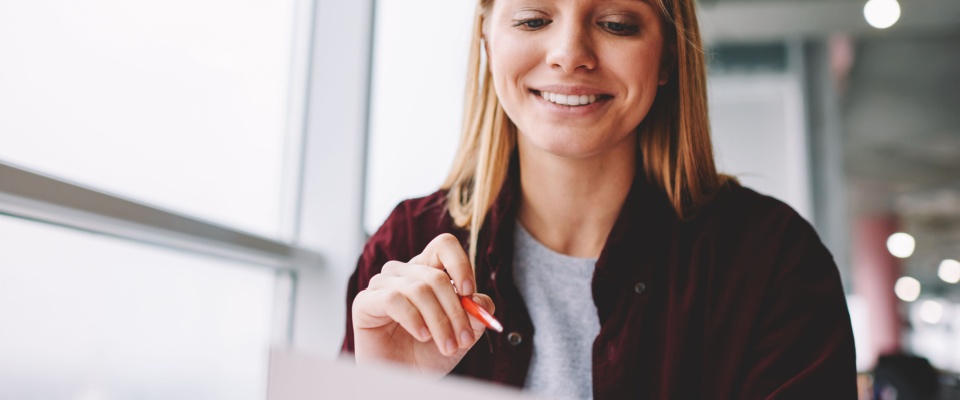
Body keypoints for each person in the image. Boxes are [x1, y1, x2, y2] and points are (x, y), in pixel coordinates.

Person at [342, 0, 857, 398]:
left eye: (616, 23)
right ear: (486, 35)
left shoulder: (774, 264)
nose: (570, 54)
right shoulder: (405, 248)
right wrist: (383, 388)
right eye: (532, 20)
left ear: (668, 55)